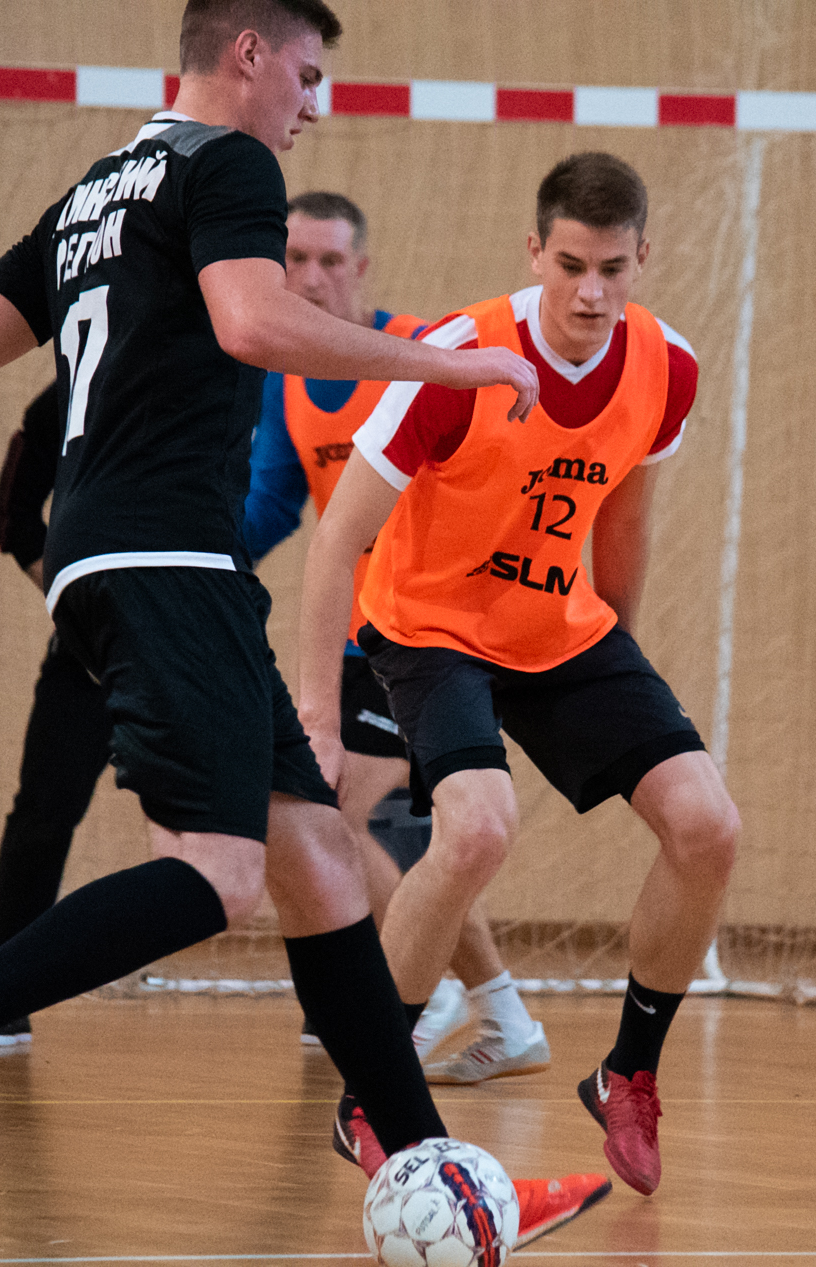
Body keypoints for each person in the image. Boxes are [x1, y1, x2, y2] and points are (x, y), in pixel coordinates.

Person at [0, 0, 607, 1242]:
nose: (312, 102)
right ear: (246, 54)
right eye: (305, 72)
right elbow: (251, 322)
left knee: (319, 858)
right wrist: (449, 363)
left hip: (121, 558)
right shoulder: (228, 162)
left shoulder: (94, 193)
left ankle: (437, 1169)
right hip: (166, 557)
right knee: (222, 871)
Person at [298, 152, 740, 1198]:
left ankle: (628, 1072)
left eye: (613, 269)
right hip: (430, 625)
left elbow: (624, 517)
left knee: (707, 825)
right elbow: (337, 541)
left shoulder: (666, 366)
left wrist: (624, 674)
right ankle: (370, 1093)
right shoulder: (458, 357)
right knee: (476, 830)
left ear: (643, 258)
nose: (591, 292)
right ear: (534, 251)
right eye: (571, 266)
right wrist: (317, 710)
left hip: (562, 628)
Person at [244, 190, 547, 1080]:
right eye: (294, 259)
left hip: (428, 631)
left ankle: (433, 990)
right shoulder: (288, 381)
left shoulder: (427, 350)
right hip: (349, 641)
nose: (311, 277)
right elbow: (272, 503)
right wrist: (191, 557)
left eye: (330, 260)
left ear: (363, 268)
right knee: (373, 831)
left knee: (332, 814)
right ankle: (500, 1011)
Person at [0, 383, 110, 1048]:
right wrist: (77, 603)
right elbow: (12, 513)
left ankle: (336, 1004)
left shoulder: (227, 372)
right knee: (43, 814)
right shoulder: (68, 392)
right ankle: (2, 995)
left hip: (193, 641)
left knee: (273, 812)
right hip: (89, 655)